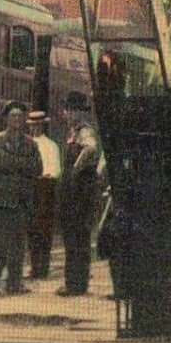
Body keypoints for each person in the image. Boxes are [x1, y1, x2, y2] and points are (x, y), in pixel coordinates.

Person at [0, 101, 42, 296]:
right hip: (3, 196)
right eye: (13, 115)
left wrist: (15, 164)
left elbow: (38, 168)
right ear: (6, 118)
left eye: (20, 115)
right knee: (0, 240)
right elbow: (1, 163)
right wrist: (24, 163)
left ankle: (14, 283)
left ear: (24, 119)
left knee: (19, 241)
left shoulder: (31, 143)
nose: (17, 119)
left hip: (23, 196)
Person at [57, 91, 102, 296]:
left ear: (76, 112)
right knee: (75, 236)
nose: (66, 114)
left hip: (80, 190)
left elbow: (91, 148)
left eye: (68, 110)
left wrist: (75, 168)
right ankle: (76, 282)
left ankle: (75, 284)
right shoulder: (75, 132)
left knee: (76, 236)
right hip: (76, 190)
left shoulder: (84, 131)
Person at [26, 111, 63, 279]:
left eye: (38, 125)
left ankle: (44, 267)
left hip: (46, 187)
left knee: (45, 227)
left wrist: (46, 177)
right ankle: (35, 267)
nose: (35, 128)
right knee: (32, 228)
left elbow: (55, 169)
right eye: (33, 125)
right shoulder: (26, 143)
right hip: (30, 187)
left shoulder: (51, 145)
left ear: (42, 126)